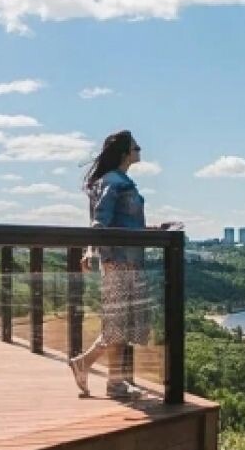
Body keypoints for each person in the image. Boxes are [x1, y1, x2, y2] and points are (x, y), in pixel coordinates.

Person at [69, 130, 178, 399]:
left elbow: (127, 226)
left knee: (123, 326)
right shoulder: (112, 182)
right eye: (136, 146)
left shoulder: (123, 182)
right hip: (118, 262)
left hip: (131, 261)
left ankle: (112, 382)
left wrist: (154, 230)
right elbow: (99, 221)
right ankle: (89, 366)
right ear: (125, 152)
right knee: (117, 324)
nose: (140, 150)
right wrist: (92, 250)